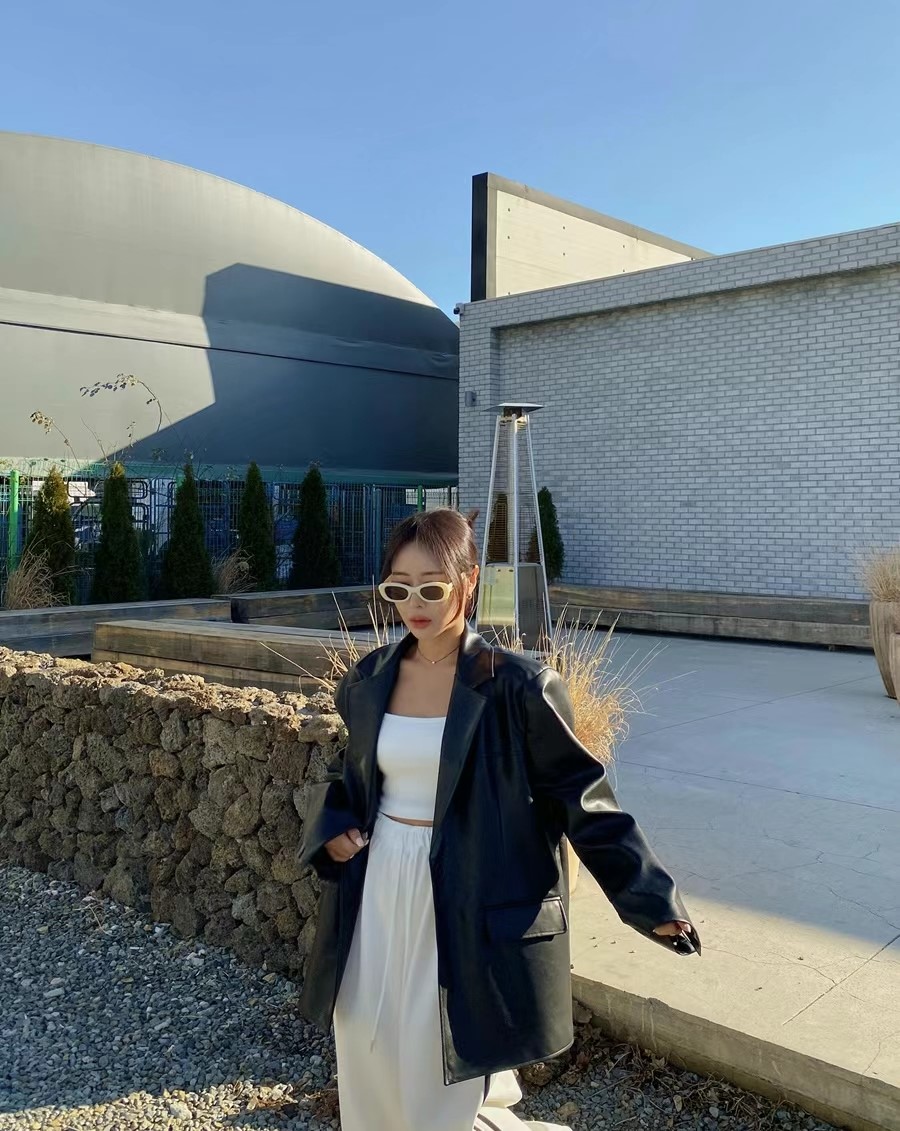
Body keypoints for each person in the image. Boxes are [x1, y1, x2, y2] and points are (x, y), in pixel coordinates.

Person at [297, 508, 700, 1131]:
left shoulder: (519, 686)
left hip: (468, 888)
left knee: (438, 1049)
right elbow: (348, 777)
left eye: (432, 587)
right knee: (364, 1035)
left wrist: (651, 898)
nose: (414, 604)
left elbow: (582, 798)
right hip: (377, 884)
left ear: (469, 582)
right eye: (398, 589)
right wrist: (334, 832)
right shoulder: (369, 678)